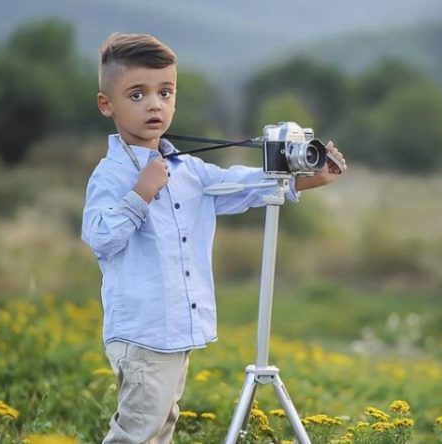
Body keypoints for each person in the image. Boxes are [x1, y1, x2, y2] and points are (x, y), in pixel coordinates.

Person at [81, 32, 346, 443]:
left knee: (161, 425)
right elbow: (99, 237)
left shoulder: (188, 169)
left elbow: (238, 185)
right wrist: (141, 193)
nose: (154, 104)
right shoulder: (112, 175)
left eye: (165, 92)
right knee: (138, 431)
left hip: (175, 331)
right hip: (142, 331)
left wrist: (308, 179)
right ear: (106, 104)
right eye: (137, 94)